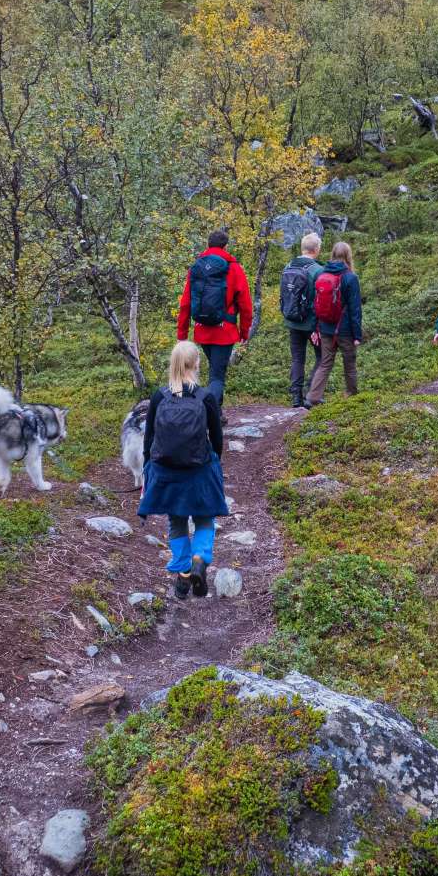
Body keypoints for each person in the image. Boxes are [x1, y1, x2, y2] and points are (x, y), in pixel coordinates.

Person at [137, 341, 228, 599]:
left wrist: (149, 468)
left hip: (167, 473)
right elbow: (217, 438)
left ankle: (184, 573)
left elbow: (150, 437)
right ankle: (199, 559)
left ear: (173, 363)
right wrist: (214, 463)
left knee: (176, 521)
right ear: (197, 363)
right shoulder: (205, 397)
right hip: (199, 470)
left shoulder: (159, 396)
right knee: (204, 517)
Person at [175, 229, 254, 403]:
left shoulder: (196, 267)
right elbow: (246, 305)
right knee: (217, 376)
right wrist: (244, 331)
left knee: (216, 370)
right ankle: (212, 412)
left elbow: (186, 302)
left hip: (202, 330)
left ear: (207, 244)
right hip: (225, 331)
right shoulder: (234, 268)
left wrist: (182, 334)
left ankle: (216, 410)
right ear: (225, 246)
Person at [307, 239, 364, 406]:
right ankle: (352, 396)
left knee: (325, 363)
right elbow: (355, 309)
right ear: (348, 256)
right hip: (345, 330)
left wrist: (315, 328)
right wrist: (357, 335)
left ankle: (313, 397)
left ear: (333, 254)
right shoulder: (350, 277)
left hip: (325, 328)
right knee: (349, 363)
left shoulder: (322, 274)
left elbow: (315, 304)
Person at [278, 232, 324, 409]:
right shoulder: (317, 270)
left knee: (298, 359)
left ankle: (296, 397)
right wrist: (318, 326)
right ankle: (311, 392)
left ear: (302, 248)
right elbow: (320, 301)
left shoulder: (288, 266)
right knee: (323, 357)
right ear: (316, 249)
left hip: (292, 320)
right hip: (311, 323)